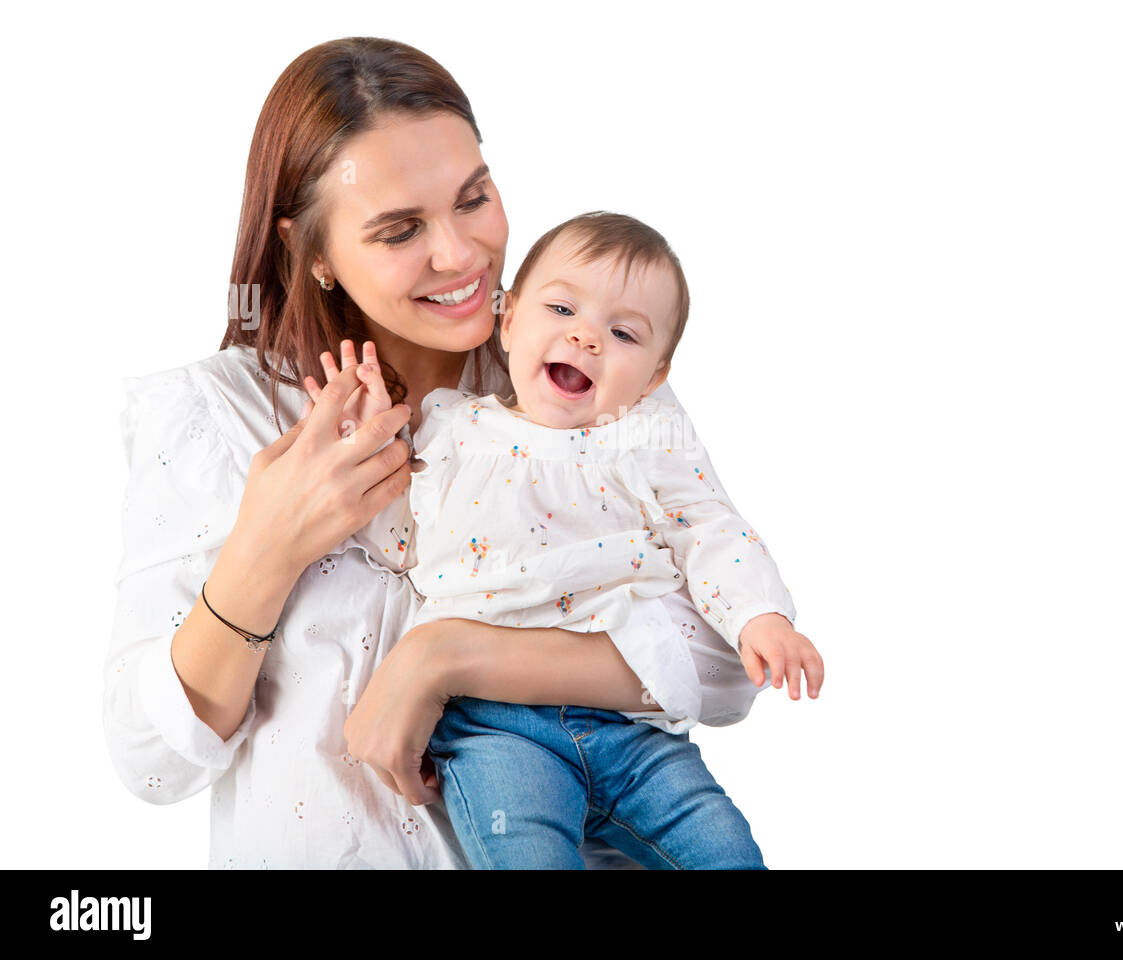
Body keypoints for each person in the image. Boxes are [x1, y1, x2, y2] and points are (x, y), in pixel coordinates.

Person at [104, 37, 766, 869]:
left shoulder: (583, 374)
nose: (459, 255)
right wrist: (266, 549)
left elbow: (724, 664)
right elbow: (150, 763)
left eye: (474, 197)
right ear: (311, 253)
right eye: (399, 229)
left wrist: (441, 656)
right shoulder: (217, 418)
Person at [306, 211, 824, 868]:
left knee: (725, 849)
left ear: (656, 376)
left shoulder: (646, 438)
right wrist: (364, 437)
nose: (587, 337)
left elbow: (711, 530)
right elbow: (397, 540)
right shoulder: (450, 429)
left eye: (624, 332)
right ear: (511, 319)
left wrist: (760, 615)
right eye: (561, 308)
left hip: (635, 731)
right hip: (494, 725)